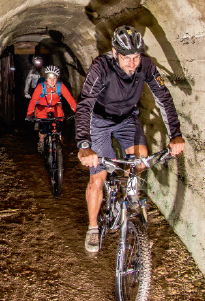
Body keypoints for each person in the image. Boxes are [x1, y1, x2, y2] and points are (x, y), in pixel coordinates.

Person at [75, 25, 185, 253]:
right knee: (98, 176)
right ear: (115, 53)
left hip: (127, 119)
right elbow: (85, 104)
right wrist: (84, 145)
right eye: (126, 58)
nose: (132, 64)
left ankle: (129, 200)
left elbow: (164, 97)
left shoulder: (146, 65)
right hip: (100, 120)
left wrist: (175, 134)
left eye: (136, 57)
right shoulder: (101, 67)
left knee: (140, 160)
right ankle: (93, 228)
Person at [26, 65, 77, 153]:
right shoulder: (41, 87)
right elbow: (33, 101)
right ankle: (41, 141)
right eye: (49, 78)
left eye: (54, 78)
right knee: (44, 128)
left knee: (59, 123)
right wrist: (29, 114)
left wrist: (77, 111)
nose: (52, 81)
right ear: (46, 78)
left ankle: (58, 141)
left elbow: (70, 99)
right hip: (42, 107)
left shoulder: (60, 86)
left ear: (57, 78)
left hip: (56, 107)